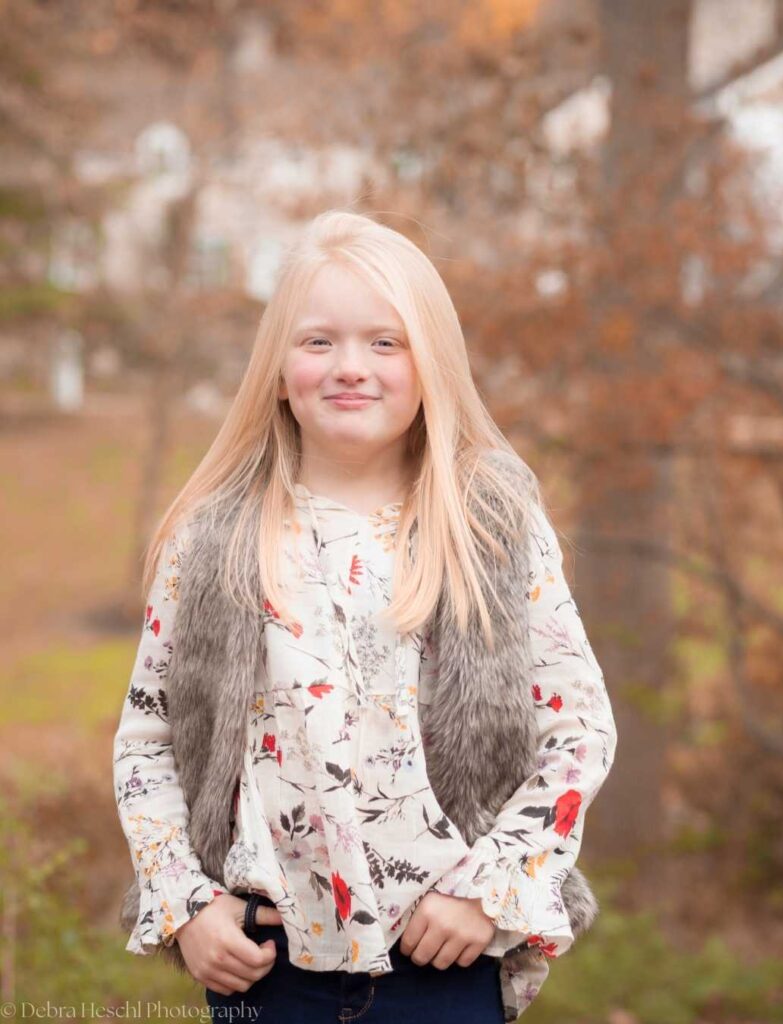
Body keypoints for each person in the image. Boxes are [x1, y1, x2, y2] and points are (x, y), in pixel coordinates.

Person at [112, 209, 618, 1023]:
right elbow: (148, 744)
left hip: (443, 962)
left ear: (431, 367)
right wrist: (186, 906)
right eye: (318, 342)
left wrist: (487, 895)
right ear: (277, 370)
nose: (351, 367)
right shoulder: (210, 540)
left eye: (385, 342)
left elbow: (579, 735)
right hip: (264, 970)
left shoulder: (488, 527)